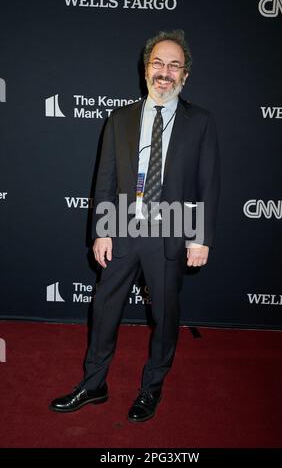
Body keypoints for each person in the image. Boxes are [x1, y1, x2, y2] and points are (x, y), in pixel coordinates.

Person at [50, 29, 220, 422]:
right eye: (158, 63)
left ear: (185, 75)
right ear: (146, 70)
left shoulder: (202, 122)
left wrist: (200, 238)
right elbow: (105, 179)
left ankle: (151, 388)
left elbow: (208, 185)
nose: (165, 72)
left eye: (175, 65)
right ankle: (94, 384)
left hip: (172, 230)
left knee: (165, 315)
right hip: (124, 227)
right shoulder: (120, 118)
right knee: (105, 309)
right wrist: (101, 229)